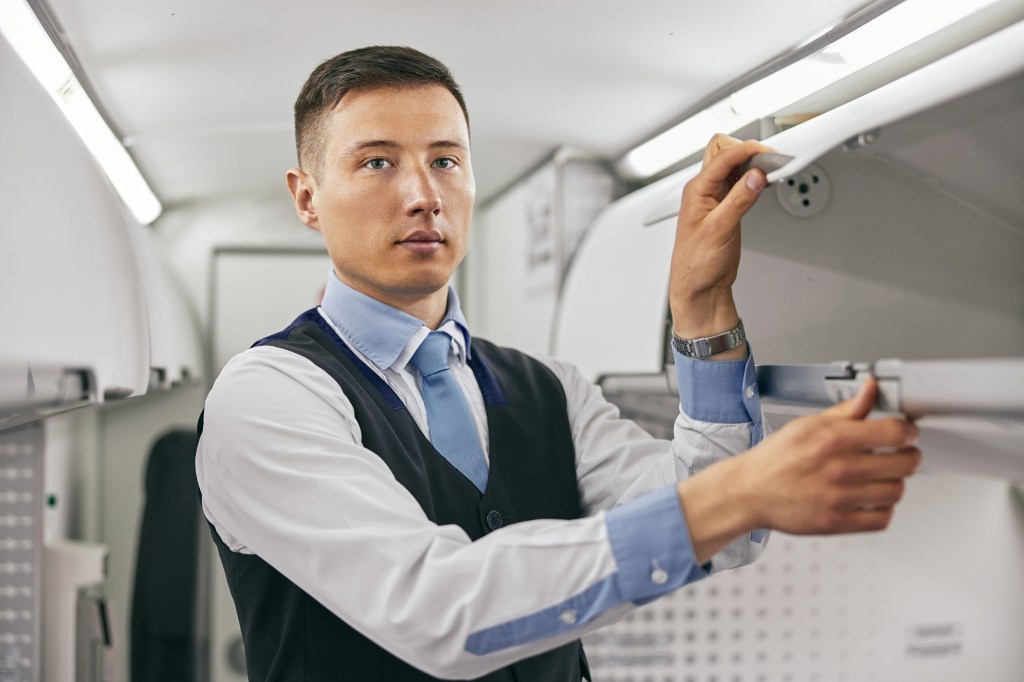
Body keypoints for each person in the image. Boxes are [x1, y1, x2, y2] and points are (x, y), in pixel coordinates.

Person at [195, 46, 921, 681]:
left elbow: (722, 523)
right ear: (307, 198)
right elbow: (437, 608)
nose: (423, 196)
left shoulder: (547, 389)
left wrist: (701, 308)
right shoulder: (267, 398)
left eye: (445, 160)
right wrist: (734, 498)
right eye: (377, 162)